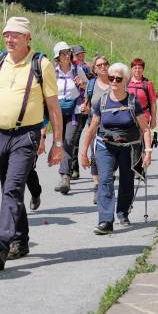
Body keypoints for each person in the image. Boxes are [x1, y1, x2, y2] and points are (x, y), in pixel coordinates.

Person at [0, 16, 62, 271]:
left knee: (12, 189)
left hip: (26, 136)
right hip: (0, 136)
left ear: (28, 38)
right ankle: (21, 239)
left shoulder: (42, 65)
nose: (9, 39)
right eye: (6, 34)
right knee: (12, 191)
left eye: (15, 35)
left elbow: (53, 107)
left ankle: (1, 245)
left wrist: (57, 143)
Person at [80, 63, 152, 234]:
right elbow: (92, 128)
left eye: (118, 79)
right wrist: (83, 152)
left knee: (127, 181)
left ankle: (123, 211)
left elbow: (145, 129)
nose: (113, 81)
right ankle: (105, 221)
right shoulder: (102, 101)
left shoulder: (133, 101)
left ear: (125, 80)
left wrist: (148, 151)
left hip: (129, 147)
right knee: (105, 180)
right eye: (111, 78)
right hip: (105, 146)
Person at [53, 41, 87, 195]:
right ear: (58, 57)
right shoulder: (52, 72)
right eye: (64, 53)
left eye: (68, 53)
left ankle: (65, 177)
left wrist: (82, 84)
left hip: (75, 112)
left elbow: (89, 87)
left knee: (68, 142)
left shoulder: (77, 70)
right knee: (59, 143)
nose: (67, 56)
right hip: (57, 112)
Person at [84, 55, 111, 204]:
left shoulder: (116, 81)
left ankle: (106, 182)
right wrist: (84, 108)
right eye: (99, 65)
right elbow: (87, 104)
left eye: (105, 64)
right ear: (94, 69)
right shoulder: (91, 84)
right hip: (95, 124)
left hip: (114, 125)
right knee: (95, 155)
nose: (103, 67)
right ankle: (97, 186)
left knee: (112, 159)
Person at [127, 58, 156, 176]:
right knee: (131, 142)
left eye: (139, 67)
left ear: (143, 69)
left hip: (143, 115)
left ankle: (139, 168)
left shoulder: (147, 84)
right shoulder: (126, 82)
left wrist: (153, 118)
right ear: (131, 69)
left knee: (141, 143)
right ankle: (132, 167)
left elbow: (153, 102)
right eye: (135, 67)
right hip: (128, 116)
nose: (137, 70)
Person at [69, 45, 93, 180]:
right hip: (68, 108)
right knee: (71, 140)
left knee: (76, 138)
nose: (81, 57)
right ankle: (72, 169)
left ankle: (74, 169)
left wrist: (82, 84)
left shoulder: (85, 68)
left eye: (82, 54)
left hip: (83, 108)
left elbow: (91, 86)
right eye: (78, 55)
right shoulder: (64, 69)